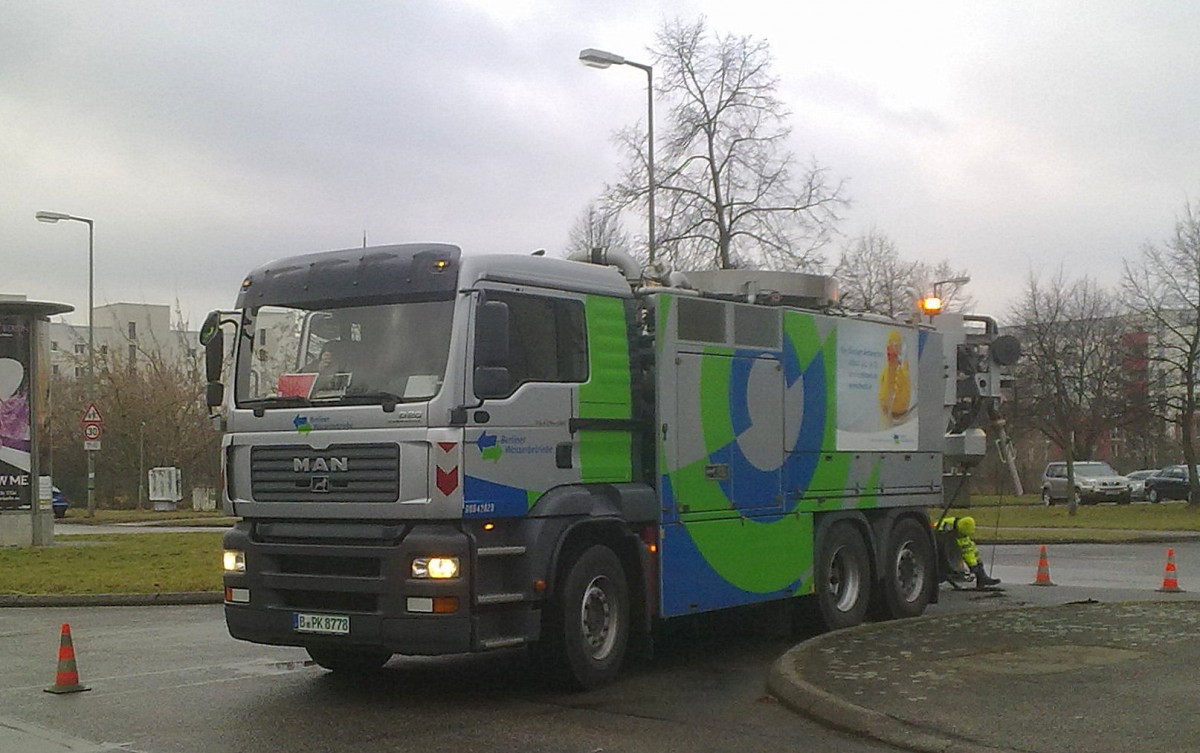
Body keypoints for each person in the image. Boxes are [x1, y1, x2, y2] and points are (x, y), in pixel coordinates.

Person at [938, 516, 1000, 588]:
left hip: (948, 549)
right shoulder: (943, 525)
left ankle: (982, 577)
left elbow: (968, 551)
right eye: (963, 535)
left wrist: (974, 566)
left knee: (972, 549)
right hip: (939, 550)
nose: (963, 536)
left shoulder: (962, 536)